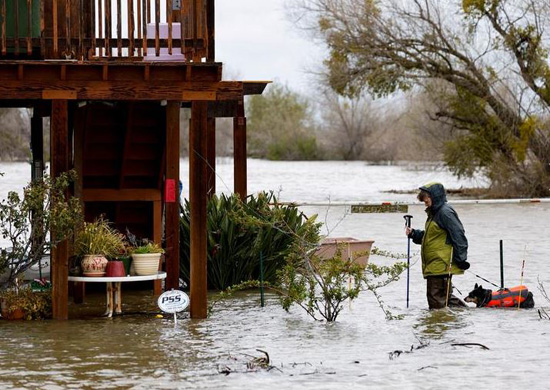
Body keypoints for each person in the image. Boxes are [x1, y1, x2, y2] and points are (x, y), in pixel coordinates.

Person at [405, 182, 469, 309]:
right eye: (423, 199)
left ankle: (441, 326)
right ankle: (461, 321)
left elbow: (459, 235)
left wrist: (461, 259)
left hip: (441, 264)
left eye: (426, 198)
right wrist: (414, 234)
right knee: (444, 299)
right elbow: (432, 237)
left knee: (436, 301)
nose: (425, 201)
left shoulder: (445, 212)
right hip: (435, 264)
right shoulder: (434, 213)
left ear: (435, 196)